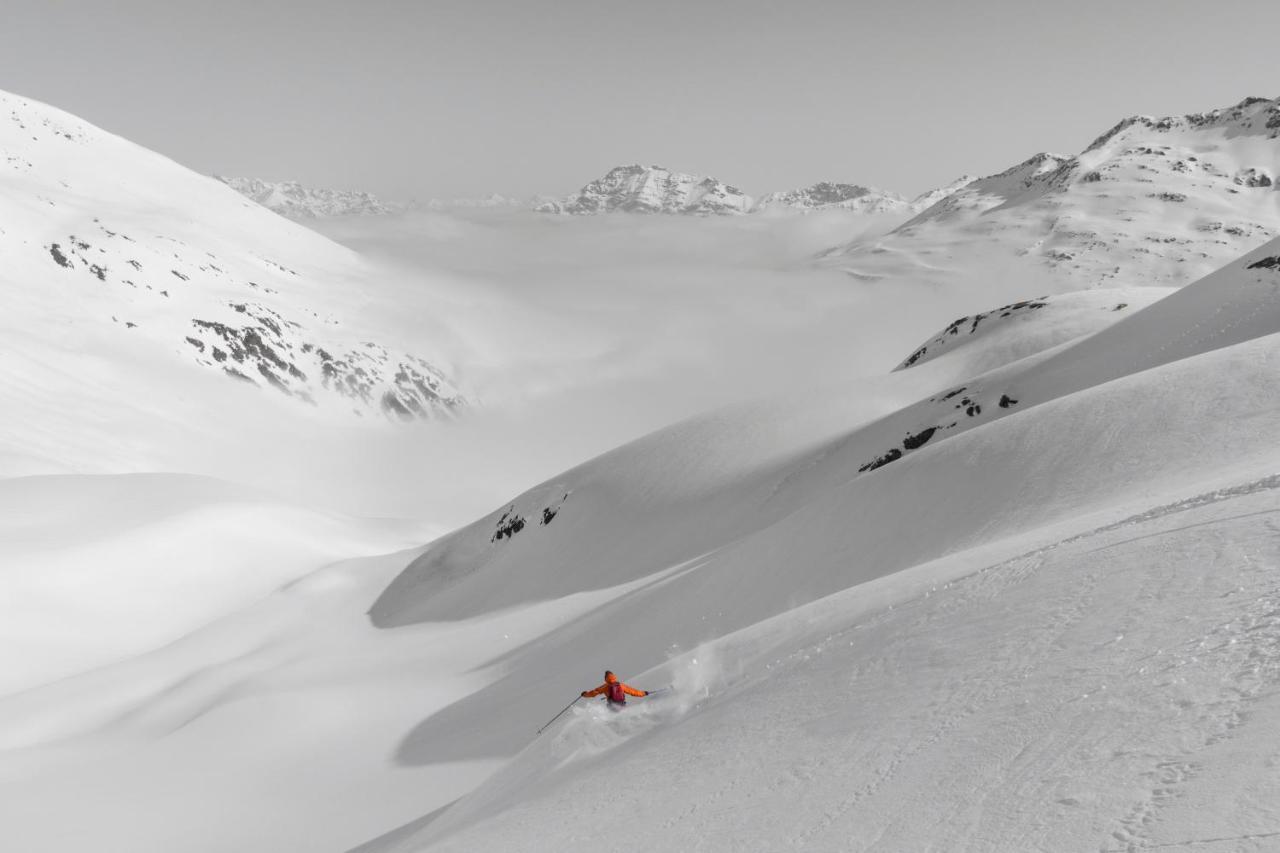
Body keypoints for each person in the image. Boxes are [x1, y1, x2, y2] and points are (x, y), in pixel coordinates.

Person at [581, 670, 648, 706]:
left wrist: (585, 694)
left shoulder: (605, 687)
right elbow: (633, 692)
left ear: (606, 678)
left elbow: (593, 693)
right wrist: (644, 693)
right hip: (622, 704)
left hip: (612, 705)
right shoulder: (621, 685)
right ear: (614, 676)